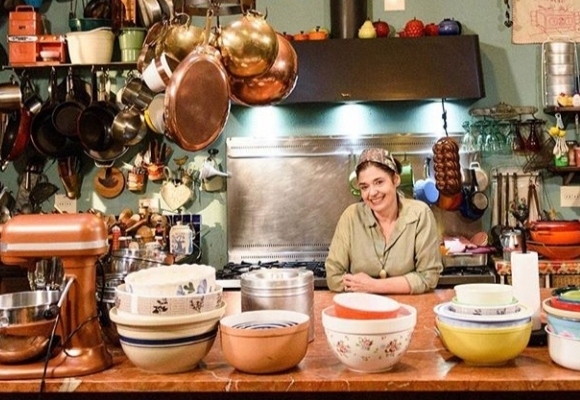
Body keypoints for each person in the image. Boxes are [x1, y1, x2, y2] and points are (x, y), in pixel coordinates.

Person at [325, 148, 443, 294]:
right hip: (362, 310)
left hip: (407, 311)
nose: (372, 193)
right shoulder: (351, 216)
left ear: (395, 180)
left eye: (379, 182)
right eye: (364, 187)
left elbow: (428, 277)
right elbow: (333, 277)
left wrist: (373, 286)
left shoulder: (420, 214)